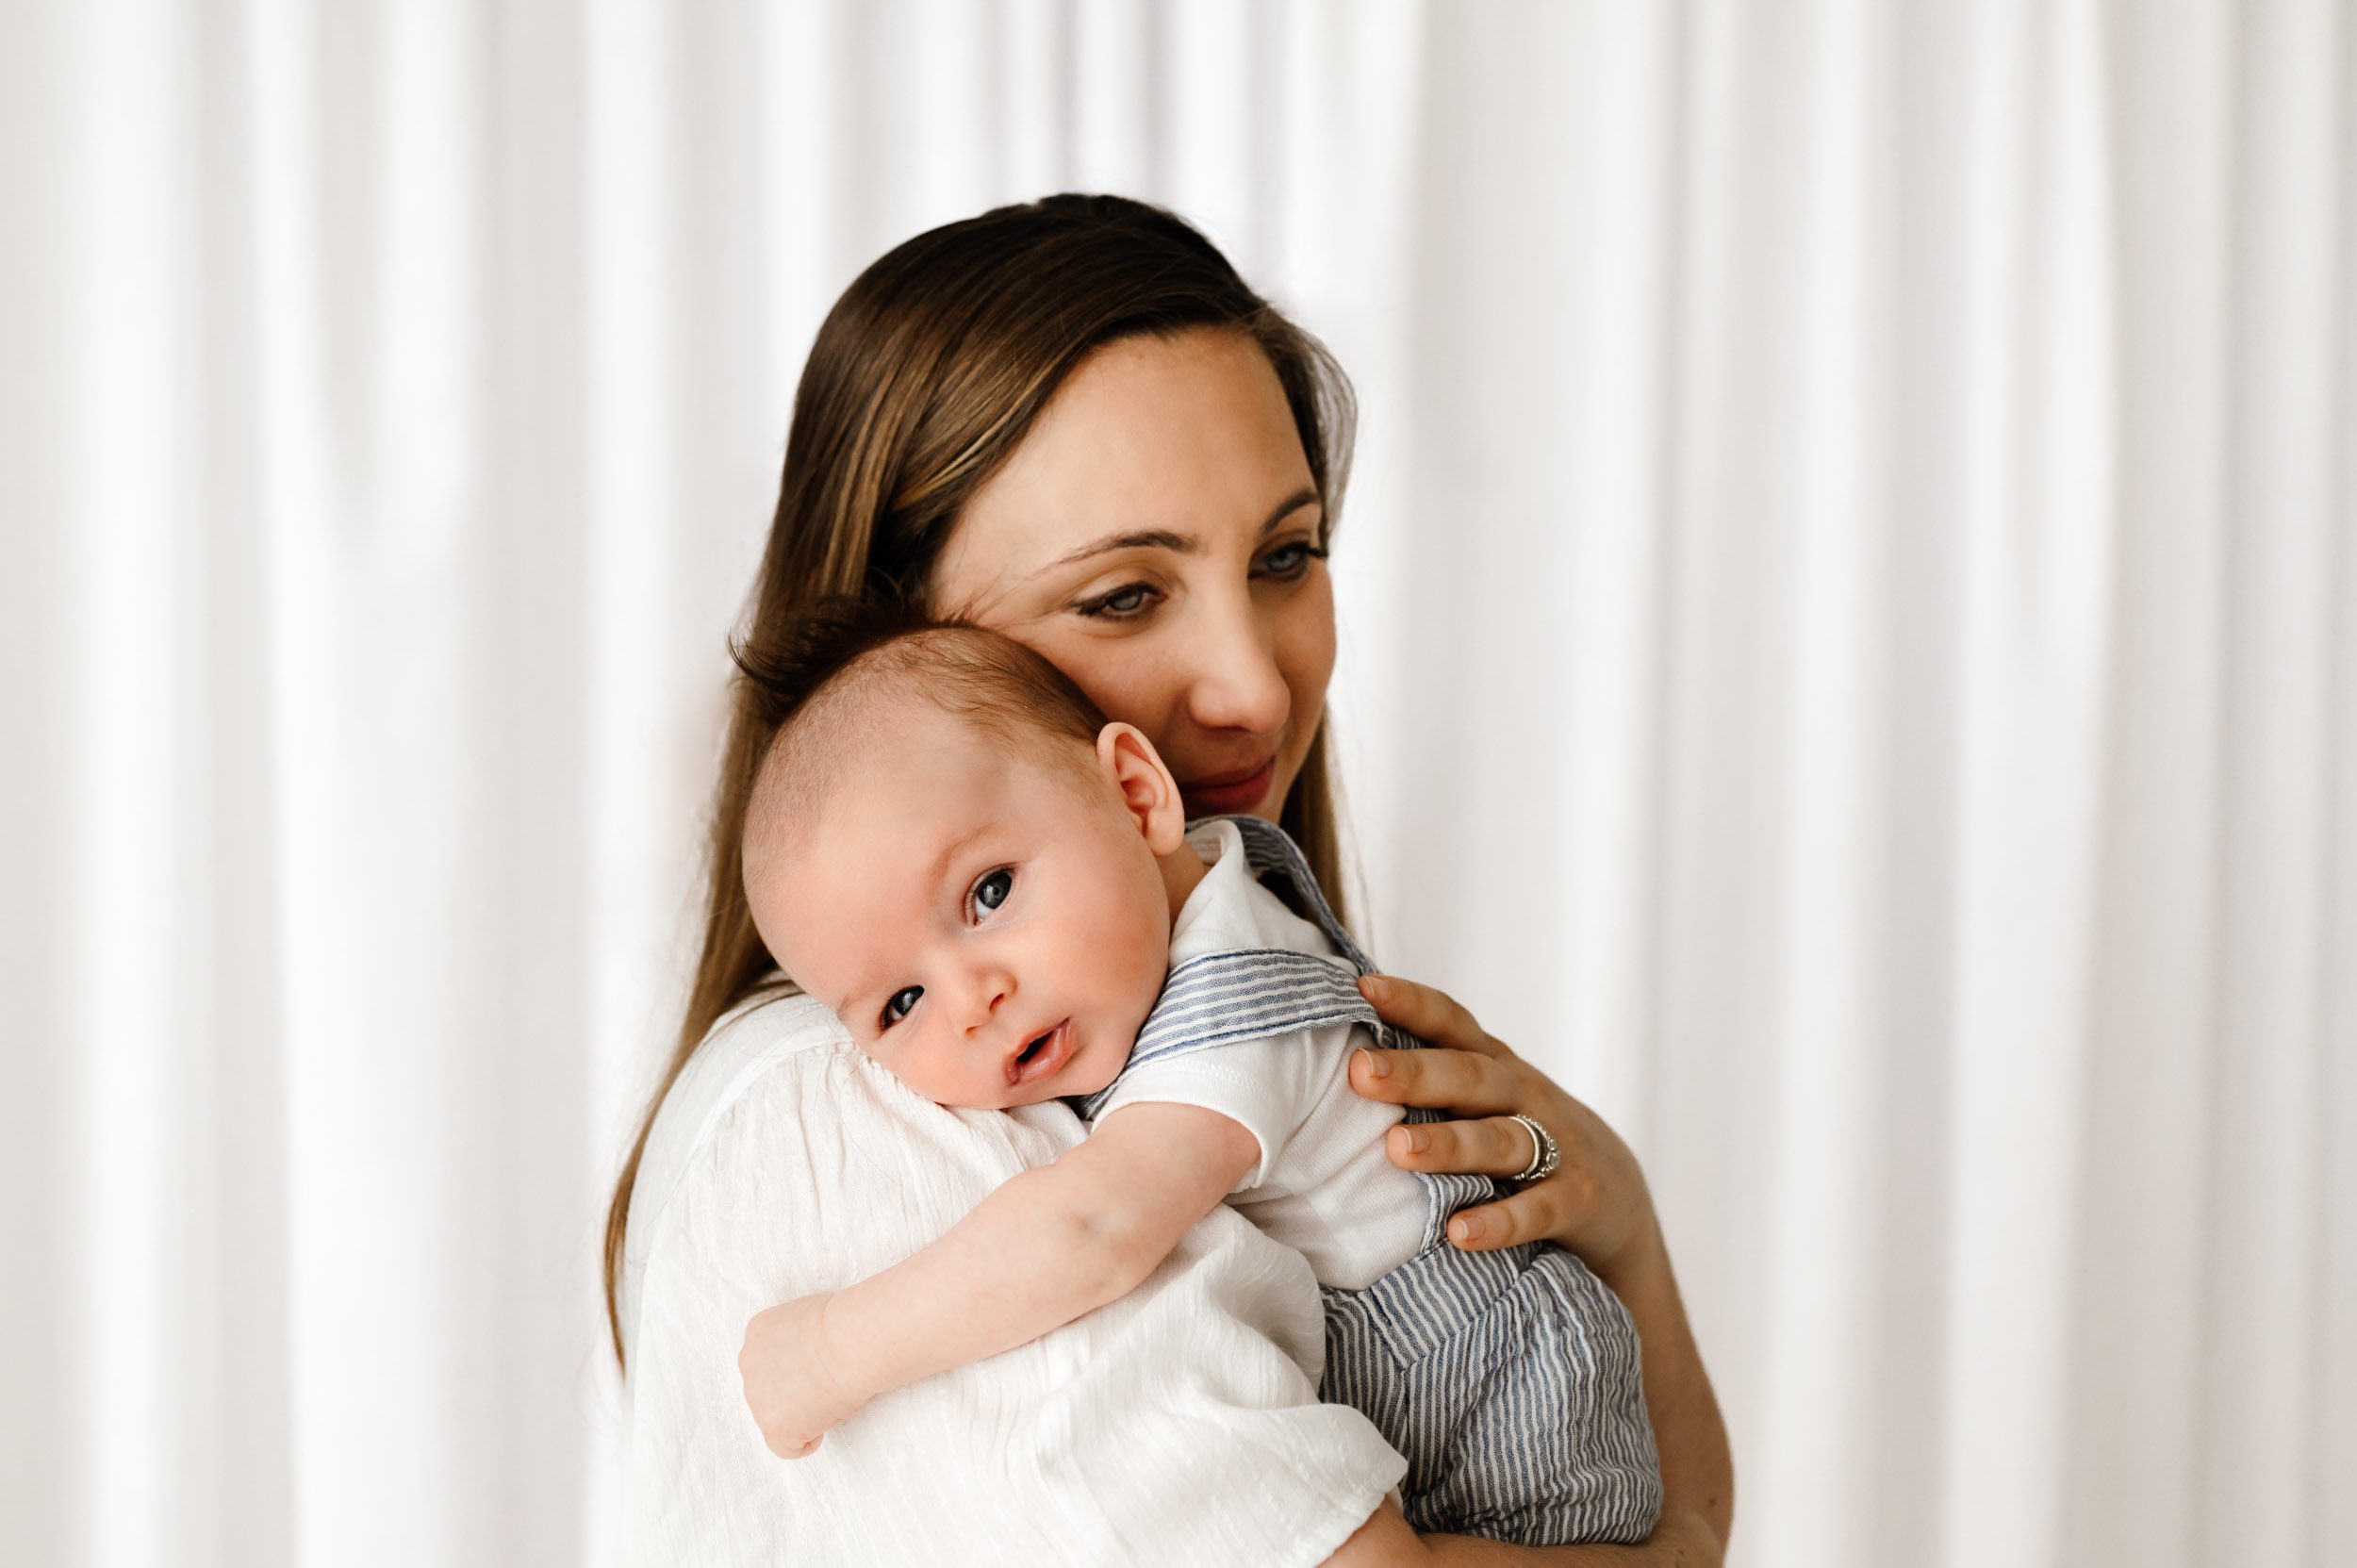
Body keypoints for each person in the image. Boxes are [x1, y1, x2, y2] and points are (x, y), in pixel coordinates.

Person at [606, 193, 1733, 1566]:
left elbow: (1682, 1517)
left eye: (1286, 556)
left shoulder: (1195, 1015)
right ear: (890, 643)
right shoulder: (865, 1117)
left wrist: (1623, 1237)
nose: (1257, 683)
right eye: (1124, 594)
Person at [727, 610, 1660, 1545]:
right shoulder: (1114, 979)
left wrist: (832, 1349)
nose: (973, 1000)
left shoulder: (1231, 1004)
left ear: (1137, 797)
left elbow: (1092, 1225)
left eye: (990, 891)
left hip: (1513, 1411)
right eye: (900, 1003)